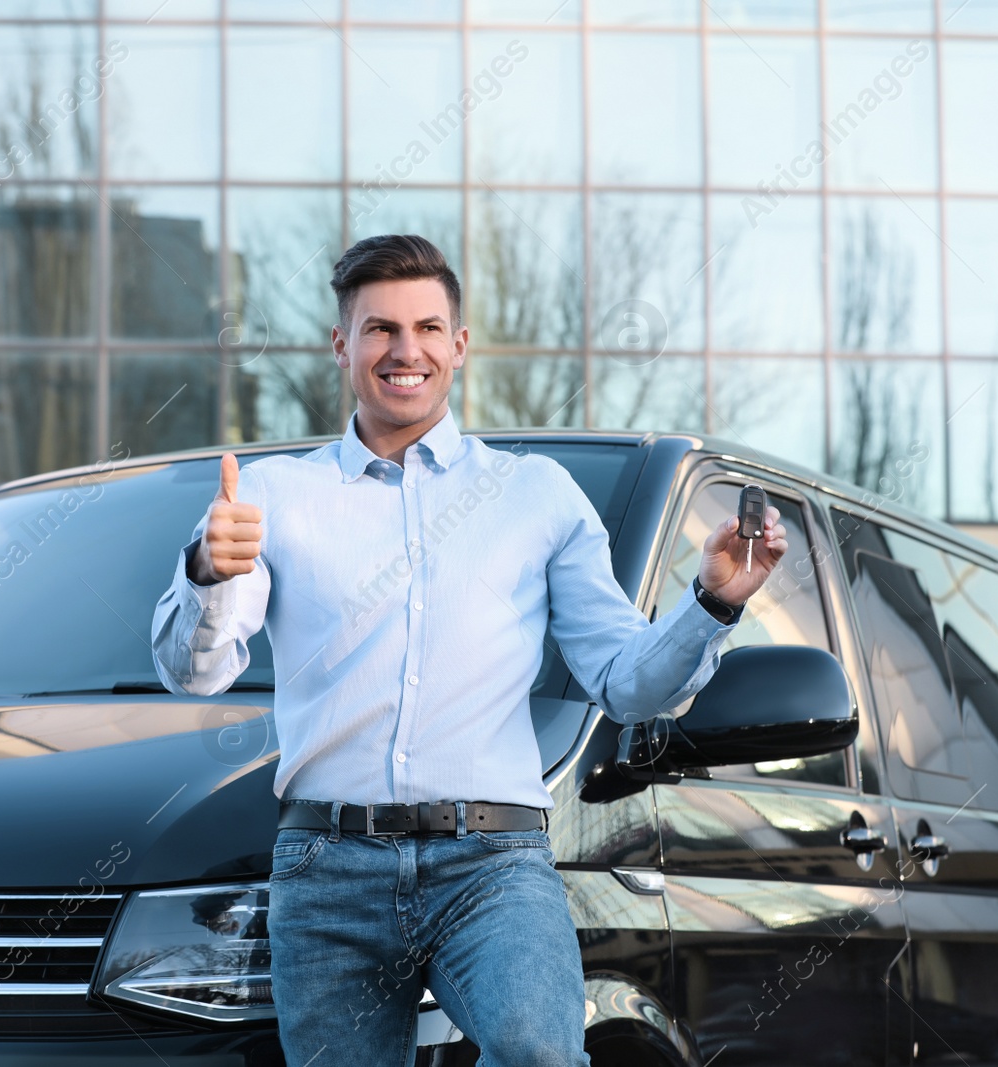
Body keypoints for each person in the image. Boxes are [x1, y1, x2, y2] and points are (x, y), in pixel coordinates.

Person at [151, 234, 786, 1067]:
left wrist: (712, 602)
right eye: (379, 329)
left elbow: (625, 683)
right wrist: (207, 568)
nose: (404, 350)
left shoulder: (537, 496)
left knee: (540, 1052)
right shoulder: (272, 498)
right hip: (325, 866)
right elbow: (197, 673)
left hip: (492, 864)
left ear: (459, 345)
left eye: (426, 327)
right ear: (342, 345)